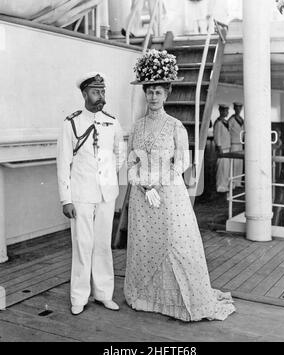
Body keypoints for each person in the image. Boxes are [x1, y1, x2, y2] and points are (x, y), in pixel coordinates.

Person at [124, 49, 235, 322]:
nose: (152, 97)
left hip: (169, 193)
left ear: (167, 94)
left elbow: (182, 163)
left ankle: (182, 300)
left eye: (158, 92)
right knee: (145, 245)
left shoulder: (175, 127)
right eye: (149, 91)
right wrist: (143, 186)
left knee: (176, 244)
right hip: (143, 195)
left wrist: (158, 185)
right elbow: (129, 161)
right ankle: (147, 297)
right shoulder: (137, 127)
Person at [56, 72, 126, 315]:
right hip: (81, 194)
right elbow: (63, 163)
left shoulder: (112, 121)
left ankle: (104, 294)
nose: (101, 97)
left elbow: (120, 151)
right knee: (82, 245)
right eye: (96, 92)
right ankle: (79, 297)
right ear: (84, 94)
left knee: (103, 245)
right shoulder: (71, 123)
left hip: (106, 194)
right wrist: (66, 199)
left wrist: (108, 174)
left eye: (103, 91)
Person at [213, 104, 231, 193]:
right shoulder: (218, 123)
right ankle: (220, 186)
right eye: (225, 111)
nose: (227, 112)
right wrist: (219, 147)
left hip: (227, 148)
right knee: (221, 169)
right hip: (222, 149)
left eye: (227, 111)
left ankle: (225, 185)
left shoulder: (225, 122)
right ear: (221, 111)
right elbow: (217, 137)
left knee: (226, 168)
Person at [228, 102, 244, 188]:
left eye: (240, 108)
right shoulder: (231, 120)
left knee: (239, 164)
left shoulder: (241, 119)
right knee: (234, 163)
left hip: (240, 143)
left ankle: (238, 182)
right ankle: (233, 183)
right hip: (233, 143)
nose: (238, 110)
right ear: (234, 109)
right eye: (237, 108)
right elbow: (228, 132)